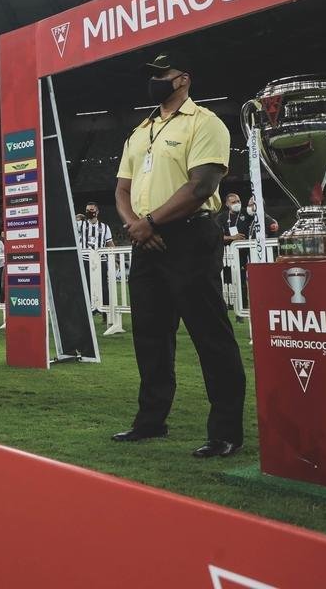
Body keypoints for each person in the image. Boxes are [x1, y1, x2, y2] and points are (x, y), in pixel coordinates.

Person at [112, 52, 246, 458]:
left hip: (189, 238)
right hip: (145, 240)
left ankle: (226, 431)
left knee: (210, 335)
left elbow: (202, 186)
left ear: (182, 79)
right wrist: (139, 225)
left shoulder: (205, 123)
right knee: (150, 338)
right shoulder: (139, 131)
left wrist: (148, 222)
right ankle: (151, 422)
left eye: (161, 75)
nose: (153, 82)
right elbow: (121, 190)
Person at [77, 202, 115, 333]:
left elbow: (110, 243)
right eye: (87, 210)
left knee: (103, 287)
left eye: (91, 210)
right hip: (85, 260)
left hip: (101, 260)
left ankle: (106, 314)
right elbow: (69, 230)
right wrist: (76, 218)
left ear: (97, 211)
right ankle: (87, 314)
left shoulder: (104, 227)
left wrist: (114, 258)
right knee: (85, 287)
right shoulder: (81, 225)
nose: (89, 212)